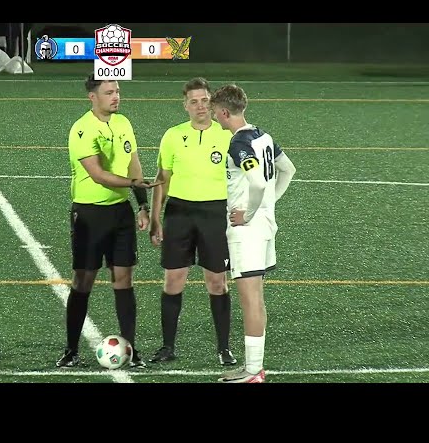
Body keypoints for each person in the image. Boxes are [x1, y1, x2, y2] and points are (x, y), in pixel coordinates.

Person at [56, 74, 161, 369]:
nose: (116, 97)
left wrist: (141, 204)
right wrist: (133, 183)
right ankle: (71, 349)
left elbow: (134, 164)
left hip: (120, 213)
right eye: (109, 92)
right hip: (89, 214)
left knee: (124, 279)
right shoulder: (81, 130)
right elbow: (98, 174)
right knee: (83, 280)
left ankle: (130, 349)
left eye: (117, 91)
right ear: (93, 97)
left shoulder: (124, 123)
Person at [210, 84, 296, 383]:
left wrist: (247, 213)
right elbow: (289, 170)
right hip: (265, 226)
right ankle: (255, 367)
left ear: (223, 112)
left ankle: (251, 371)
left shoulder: (238, 144)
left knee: (249, 298)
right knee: (256, 297)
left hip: (247, 231)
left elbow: (258, 183)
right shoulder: (264, 136)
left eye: (214, 112)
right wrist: (268, 206)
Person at [148, 77, 237, 366]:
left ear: (212, 103)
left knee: (217, 282)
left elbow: (244, 178)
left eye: (204, 100)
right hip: (179, 214)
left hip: (214, 214)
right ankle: (167, 347)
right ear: (185, 105)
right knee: (174, 279)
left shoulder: (228, 136)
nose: (200, 106)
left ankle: (224, 348)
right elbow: (163, 180)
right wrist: (155, 218)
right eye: (194, 101)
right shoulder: (172, 136)